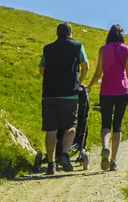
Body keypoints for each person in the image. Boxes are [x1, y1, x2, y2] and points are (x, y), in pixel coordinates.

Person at [36, 22, 89, 175]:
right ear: (70, 33)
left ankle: (51, 164)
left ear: (57, 34)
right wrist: (79, 82)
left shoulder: (48, 49)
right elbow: (86, 67)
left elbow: (41, 69)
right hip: (69, 94)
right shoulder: (78, 46)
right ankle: (64, 155)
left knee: (51, 129)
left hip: (49, 93)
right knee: (71, 126)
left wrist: (51, 79)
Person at [86, 24, 128, 171]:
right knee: (118, 125)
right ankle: (114, 160)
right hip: (123, 91)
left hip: (106, 91)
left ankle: (105, 147)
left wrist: (89, 87)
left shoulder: (103, 50)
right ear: (122, 36)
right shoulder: (127, 50)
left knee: (105, 123)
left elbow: (98, 73)